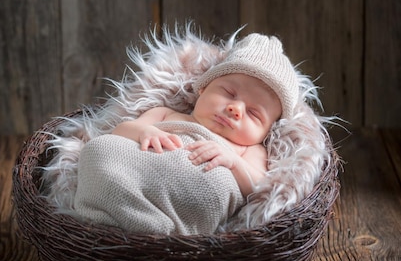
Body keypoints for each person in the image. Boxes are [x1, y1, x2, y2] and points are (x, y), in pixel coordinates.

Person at [111, 33, 299, 197]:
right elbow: (119, 131)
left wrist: (234, 163)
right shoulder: (165, 114)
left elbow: (259, 188)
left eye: (253, 113)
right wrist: (145, 133)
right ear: (203, 88)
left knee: (214, 190)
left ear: (268, 131)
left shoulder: (249, 151)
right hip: (133, 177)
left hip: (188, 198)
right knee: (100, 147)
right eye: (229, 93)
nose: (236, 109)